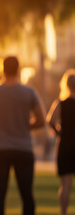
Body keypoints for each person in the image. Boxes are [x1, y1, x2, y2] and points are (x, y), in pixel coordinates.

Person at [0, 56, 45, 215]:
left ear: (1, 70)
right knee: (27, 194)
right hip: (24, 149)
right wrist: (24, 124)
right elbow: (41, 120)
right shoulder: (29, 92)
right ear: (19, 69)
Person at [47, 69, 75, 215]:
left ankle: (63, 213)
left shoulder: (61, 103)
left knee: (65, 184)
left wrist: (59, 132)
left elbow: (50, 120)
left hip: (65, 144)